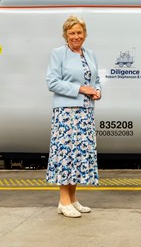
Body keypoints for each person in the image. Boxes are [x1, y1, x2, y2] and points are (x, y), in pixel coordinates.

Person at [46, 15, 102, 218]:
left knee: (78, 156)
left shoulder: (89, 54)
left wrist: (97, 91)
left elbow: (95, 81)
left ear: (84, 34)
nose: (76, 36)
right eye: (72, 33)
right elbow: (52, 82)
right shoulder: (58, 54)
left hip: (85, 112)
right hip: (66, 114)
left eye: (79, 32)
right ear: (66, 35)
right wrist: (80, 88)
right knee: (65, 156)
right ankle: (63, 201)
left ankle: (73, 198)